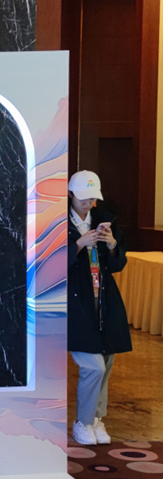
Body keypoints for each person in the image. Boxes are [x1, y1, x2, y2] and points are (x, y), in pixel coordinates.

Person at [67, 170, 131, 446]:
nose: (88, 203)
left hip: (103, 300)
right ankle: (83, 422)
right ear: (70, 194)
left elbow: (117, 265)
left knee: (106, 361)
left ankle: (96, 419)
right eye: (83, 197)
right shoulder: (57, 222)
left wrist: (113, 245)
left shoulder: (105, 221)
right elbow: (47, 263)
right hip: (75, 302)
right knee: (93, 367)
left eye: (92, 197)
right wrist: (79, 244)